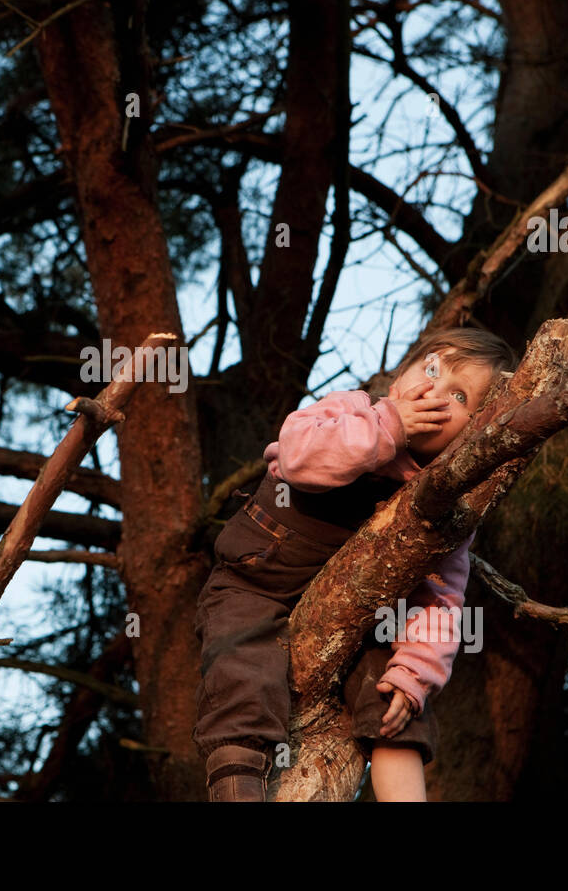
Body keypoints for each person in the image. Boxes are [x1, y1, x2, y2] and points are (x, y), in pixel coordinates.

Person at [194, 327, 520, 801]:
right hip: (253, 581)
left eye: (459, 394)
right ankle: (238, 790)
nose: (433, 391)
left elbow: (441, 598)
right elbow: (300, 456)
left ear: (476, 429)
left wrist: (415, 673)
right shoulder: (354, 410)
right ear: (405, 372)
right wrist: (389, 427)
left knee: (392, 702)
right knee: (241, 668)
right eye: (431, 369)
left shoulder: (443, 502)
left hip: (361, 623)